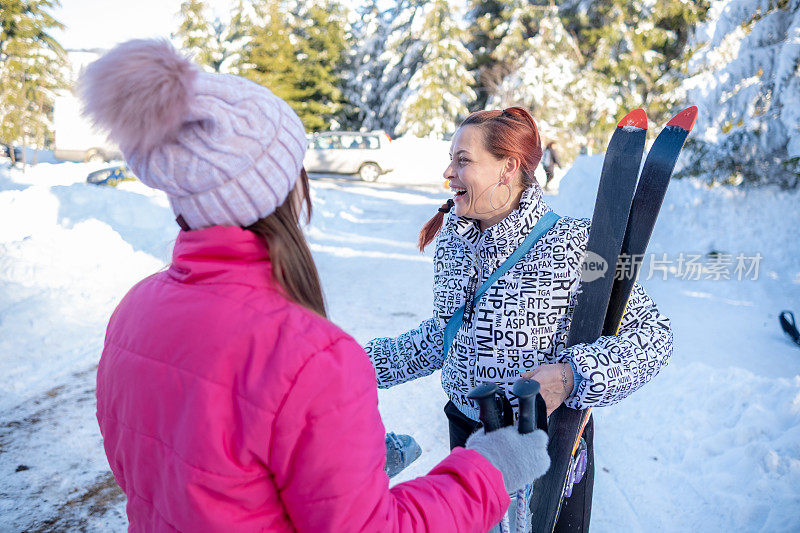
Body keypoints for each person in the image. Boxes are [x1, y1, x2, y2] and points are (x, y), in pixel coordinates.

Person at [82, 39, 551, 532]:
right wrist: (488, 472)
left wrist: (330, 477)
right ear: (281, 187)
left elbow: (182, 477)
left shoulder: (134, 312)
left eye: (463, 159)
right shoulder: (306, 358)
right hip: (486, 436)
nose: (449, 173)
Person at [365, 107, 674, 532]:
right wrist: (355, 367)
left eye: (463, 160)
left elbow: (653, 337)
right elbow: (445, 336)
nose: (448, 172)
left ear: (508, 168)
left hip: (547, 440)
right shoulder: (454, 244)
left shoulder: (574, 244)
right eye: (451, 158)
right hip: (470, 434)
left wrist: (570, 376)